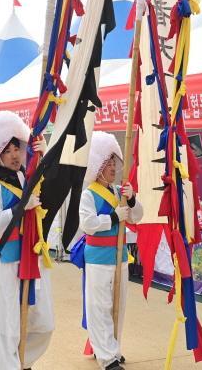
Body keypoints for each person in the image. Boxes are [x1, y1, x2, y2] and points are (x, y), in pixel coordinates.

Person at [0, 111, 53, 370]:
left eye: (17, 148)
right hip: (9, 261)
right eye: (7, 151)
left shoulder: (24, 177)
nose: (15, 155)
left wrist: (45, 155)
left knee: (43, 322)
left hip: (33, 256)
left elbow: (47, 185)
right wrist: (21, 208)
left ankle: (22, 361)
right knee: (7, 324)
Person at [78, 131, 143, 370]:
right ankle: (106, 356)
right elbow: (88, 225)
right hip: (97, 258)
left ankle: (112, 348)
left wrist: (133, 199)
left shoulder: (119, 192)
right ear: (97, 167)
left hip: (120, 257)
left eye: (114, 163)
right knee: (99, 306)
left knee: (119, 305)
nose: (113, 168)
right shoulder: (88, 194)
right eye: (108, 163)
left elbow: (137, 216)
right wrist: (114, 218)